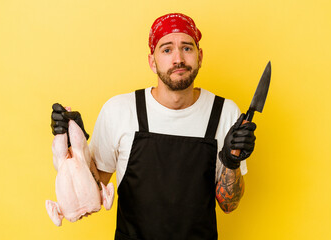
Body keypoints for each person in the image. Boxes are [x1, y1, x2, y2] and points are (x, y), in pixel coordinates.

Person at [51, 13, 256, 240]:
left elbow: (229, 204)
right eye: (167, 50)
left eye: (187, 48)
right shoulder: (120, 110)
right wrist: (76, 147)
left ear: (200, 56)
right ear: (152, 61)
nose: (178, 59)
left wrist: (231, 161)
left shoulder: (225, 113)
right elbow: (95, 191)